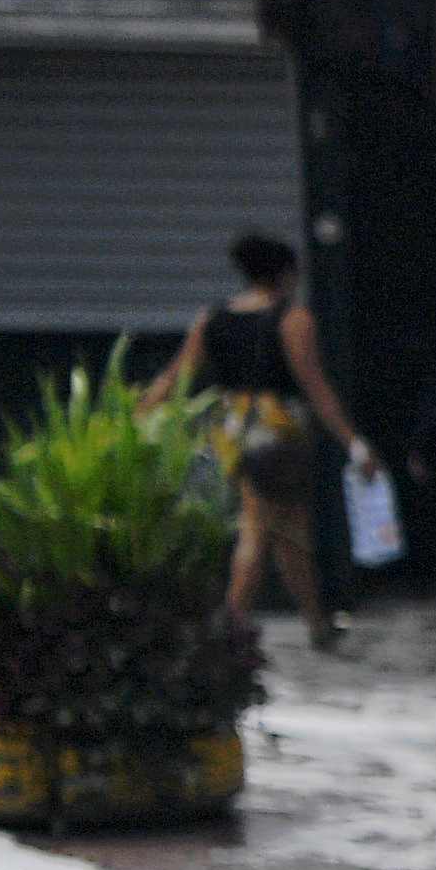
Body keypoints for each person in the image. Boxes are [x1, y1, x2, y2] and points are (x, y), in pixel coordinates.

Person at [159, 230, 376, 655]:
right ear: (286, 274)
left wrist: (137, 412)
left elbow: (176, 376)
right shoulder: (293, 319)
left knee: (288, 531)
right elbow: (316, 387)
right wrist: (354, 443)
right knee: (259, 530)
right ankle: (229, 629)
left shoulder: (211, 319)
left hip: (230, 432)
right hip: (278, 434)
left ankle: (317, 623)